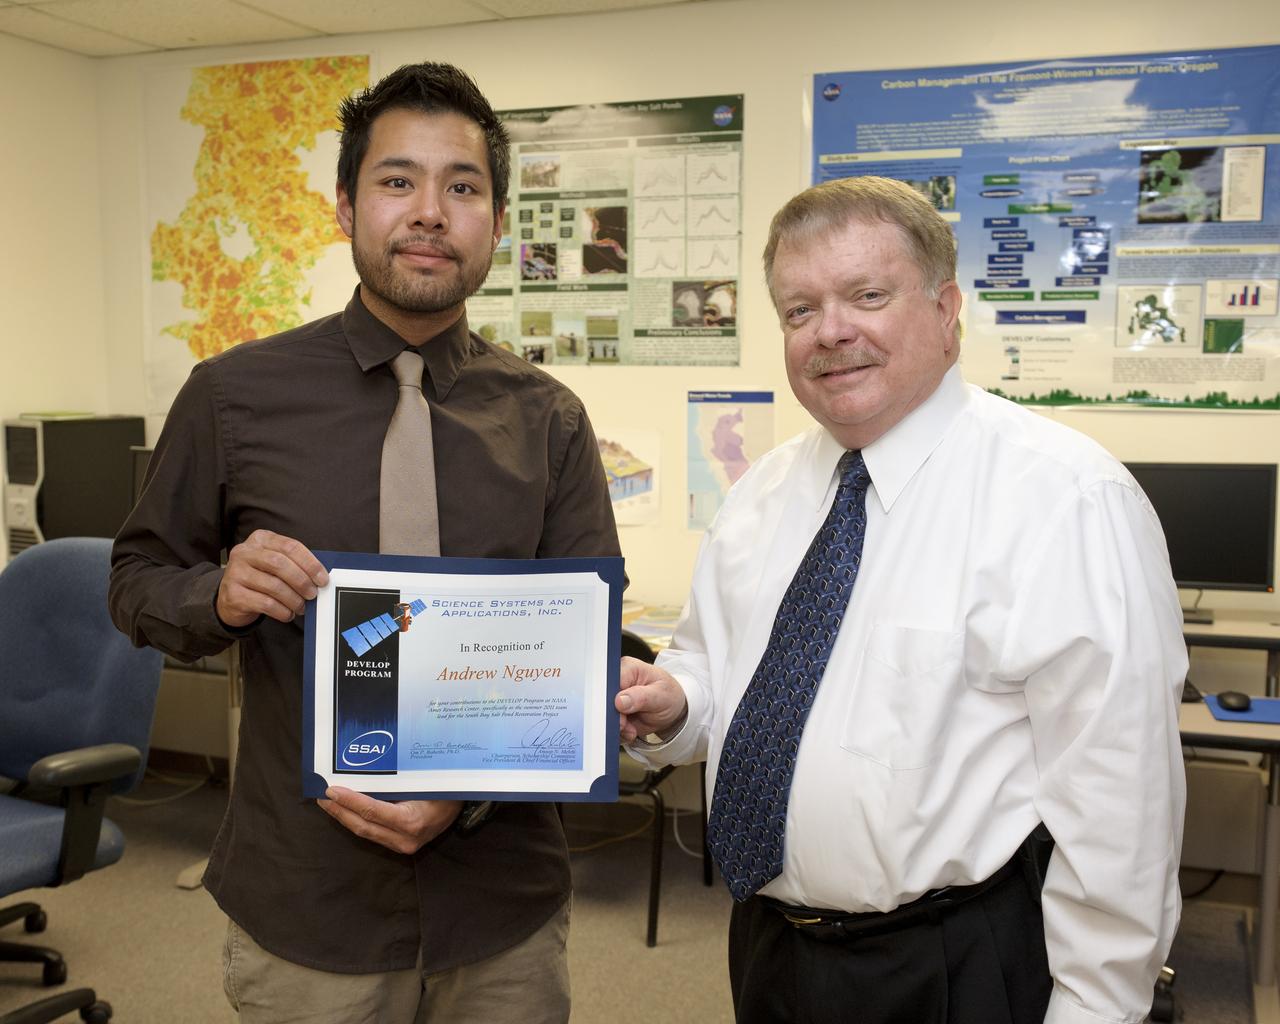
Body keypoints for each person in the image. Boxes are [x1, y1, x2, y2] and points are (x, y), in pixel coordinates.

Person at [109, 62, 619, 1023]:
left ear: (498, 225)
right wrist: (215, 592)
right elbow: (134, 580)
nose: (430, 211)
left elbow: (583, 654)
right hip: (308, 905)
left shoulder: (549, 420)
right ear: (345, 206)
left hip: (499, 910)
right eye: (397, 181)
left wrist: (462, 793)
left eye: (462, 187)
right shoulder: (232, 396)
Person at [617, 175, 1186, 1024]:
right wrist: (676, 706)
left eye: (868, 295)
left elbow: (1121, 810)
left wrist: (1099, 1010)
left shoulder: (1065, 499)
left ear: (948, 310)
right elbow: (711, 672)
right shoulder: (762, 495)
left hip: (954, 967)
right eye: (799, 310)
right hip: (770, 949)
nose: (830, 331)